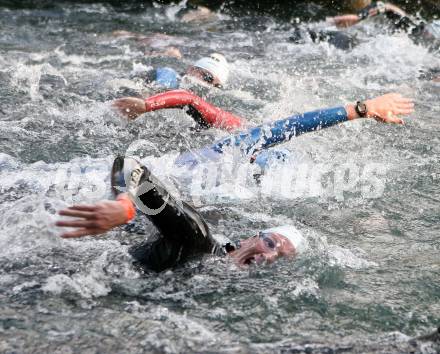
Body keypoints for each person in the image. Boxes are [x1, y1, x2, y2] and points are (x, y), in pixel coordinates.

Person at [56, 93, 414, 272]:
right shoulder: (220, 158)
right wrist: (359, 109)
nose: (268, 254)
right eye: (271, 241)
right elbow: (289, 126)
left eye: (279, 255)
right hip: (92, 192)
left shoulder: (239, 204)